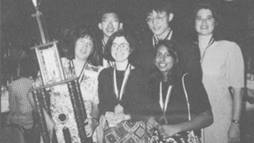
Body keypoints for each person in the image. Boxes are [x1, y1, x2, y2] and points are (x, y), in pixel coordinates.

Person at [192, 2, 244, 143]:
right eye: (199, 18)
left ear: (215, 22)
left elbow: (238, 91)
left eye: (209, 18)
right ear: (194, 22)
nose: (204, 22)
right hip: (193, 120)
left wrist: (235, 123)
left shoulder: (229, 48)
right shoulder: (186, 50)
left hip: (219, 118)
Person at [146, 40, 213, 142]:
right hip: (158, 139)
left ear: (175, 58)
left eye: (167, 55)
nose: (162, 59)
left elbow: (207, 117)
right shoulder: (153, 83)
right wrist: (151, 120)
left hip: (184, 139)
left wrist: (176, 128)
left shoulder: (188, 81)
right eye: (159, 54)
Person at [47, 27, 101, 143]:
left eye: (89, 44)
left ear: (92, 50)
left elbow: (96, 104)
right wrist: (46, 119)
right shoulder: (58, 64)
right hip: (58, 129)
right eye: (81, 41)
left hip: (84, 132)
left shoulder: (96, 72)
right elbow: (34, 92)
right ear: (74, 42)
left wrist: (94, 121)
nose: (84, 46)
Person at [97, 30, 150, 143]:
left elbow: (147, 106)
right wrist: (107, 113)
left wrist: (125, 116)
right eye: (114, 45)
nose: (118, 49)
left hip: (135, 129)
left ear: (131, 48)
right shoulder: (104, 74)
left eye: (123, 45)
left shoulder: (141, 74)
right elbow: (102, 104)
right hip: (111, 131)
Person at [135, 0, 202, 80]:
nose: (154, 22)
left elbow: (194, 80)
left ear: (170, 17)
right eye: (150, 18)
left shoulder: (187, 46)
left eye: (159, 17)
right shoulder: (141, 47)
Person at [7, 58, 40, 143]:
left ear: (20, 69)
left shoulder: (13, 85)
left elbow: (13, 108)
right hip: (36, 119)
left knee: (5, 123)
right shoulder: (35, 82)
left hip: (23, 121)